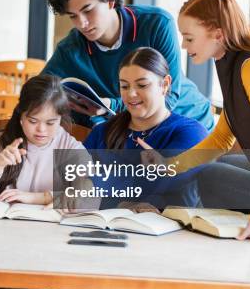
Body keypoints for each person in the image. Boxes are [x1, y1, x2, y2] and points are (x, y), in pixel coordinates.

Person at [140, 0, 250, 245]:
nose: (183, 46)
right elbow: (220, 140)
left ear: (217, 34)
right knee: (217, 166)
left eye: (189, 38)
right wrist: (168, 167)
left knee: (209, 175)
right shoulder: (231, 62)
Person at [43, 0, 213, 130]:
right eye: (73, 16)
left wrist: (113, 105)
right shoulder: (70, 48)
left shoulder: (157, 24)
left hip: (190, 122)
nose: (82, 23)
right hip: (134, 131)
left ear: (109, 1)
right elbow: (38, 92)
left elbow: (167, 97)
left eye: (88, 10)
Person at [83, 47, 208, 211]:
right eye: (124, 86)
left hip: (169, 233)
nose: (131, 94)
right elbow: (72, 177)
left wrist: (94, 185)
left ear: (165, 84)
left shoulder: (192, 133)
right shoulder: (102, 131)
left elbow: (159, 183)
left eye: (142, 85)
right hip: (98, 225)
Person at [0, 74, 85, 204]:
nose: (41, 129)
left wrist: (38, 198)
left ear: (60, 119)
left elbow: (89, 196)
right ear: (21, 116)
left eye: (50, 123)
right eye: (33, 121)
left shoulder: (69, 145)